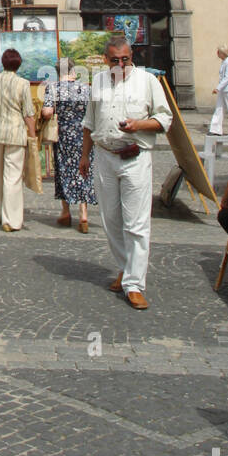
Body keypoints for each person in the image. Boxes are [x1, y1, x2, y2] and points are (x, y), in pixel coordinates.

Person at [79, 33, 173, 310]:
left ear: (132, 57)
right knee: (111, 220)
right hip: (104, 156)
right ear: (106, 59)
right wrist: (85, 156)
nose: (121, 64)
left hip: (135, 157)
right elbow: (89, 121)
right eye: (115, 60)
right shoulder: (97, 80)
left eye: (126, 59)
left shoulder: (148, 82)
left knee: (136, 223)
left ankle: (135, 283)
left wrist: (139, 126)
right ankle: (124, 266)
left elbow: (165, 119)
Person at [0, 47, 36, 233]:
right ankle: (10, 220)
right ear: (18, 64)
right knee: (12, 177)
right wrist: (33, 134)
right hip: (15, 132)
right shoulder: (23, 84)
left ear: (2, 63)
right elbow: (28, 112)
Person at [44, 61, 95, 233]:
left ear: (58, 72)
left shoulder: (54, 88)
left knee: (64, 170)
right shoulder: (86, 88)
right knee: (83, 170)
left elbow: (47, 112)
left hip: (64, 135)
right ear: (74, 71)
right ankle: (83, 214)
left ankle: (65, 212)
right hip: (84, 135)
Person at [208, 45, 228, 135]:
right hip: (223, 90)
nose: (217, 53)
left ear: (222, 53)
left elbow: (227, 77)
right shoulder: (224, 62)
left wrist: (217, 88)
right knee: (219, 109)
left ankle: (215, 129)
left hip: (227, 89)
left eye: (218, 52)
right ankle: (215, 130)